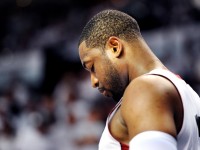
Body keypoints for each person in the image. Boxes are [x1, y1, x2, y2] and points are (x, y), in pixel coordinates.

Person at [78, 9, 200, 150]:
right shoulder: (188, 93)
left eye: (92, 67)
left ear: (114, 47)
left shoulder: (144, 90)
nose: (93, 81)